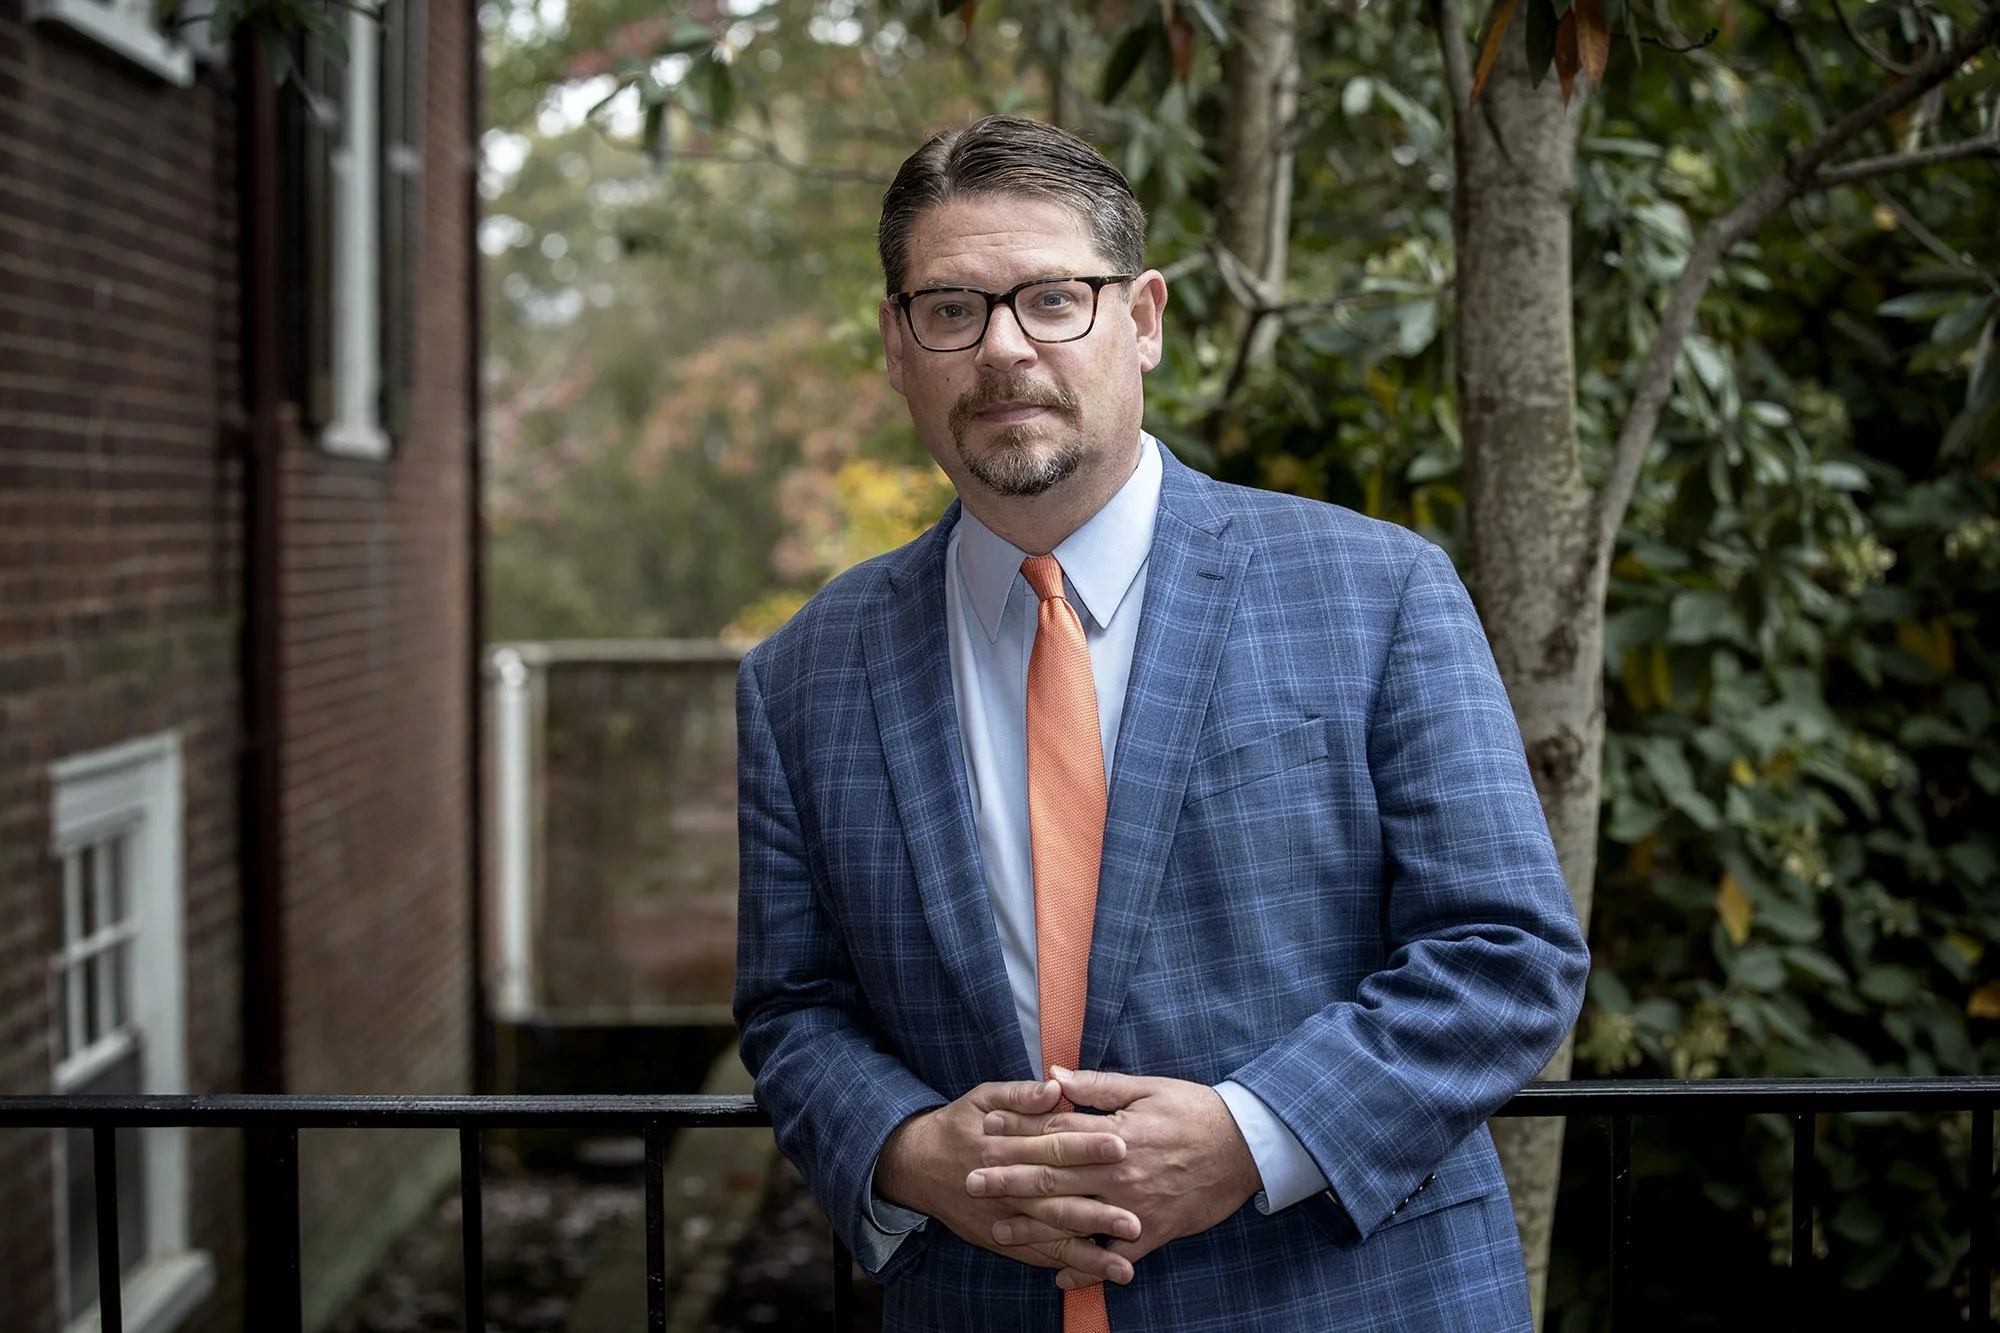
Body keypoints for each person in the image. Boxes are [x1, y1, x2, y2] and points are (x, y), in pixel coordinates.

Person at [733, 114, 1590, 1332]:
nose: (1003, 349)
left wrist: (1255, 1133)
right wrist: (913, 1151)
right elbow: (793, 1007)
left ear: (1139, 318)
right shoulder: (801, 675)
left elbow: (1505, 948)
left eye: (1051, 299)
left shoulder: (1373, 589)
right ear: (895, 344)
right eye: (951, 309)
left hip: (1339, 1298)